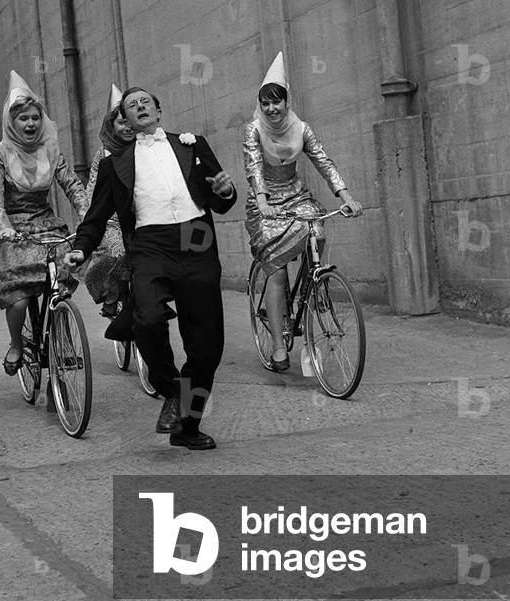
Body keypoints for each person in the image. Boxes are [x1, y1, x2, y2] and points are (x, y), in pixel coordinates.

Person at [65, 86, 237, 450]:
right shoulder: (116, 164)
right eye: (131, 105)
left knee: (207, 346)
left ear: (158, 111)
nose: (140, 106)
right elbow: (95, 218)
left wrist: (225, 190)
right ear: (125, 121)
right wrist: (81, 249)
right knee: (148, 319)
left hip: (196, 240)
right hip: (150, 244)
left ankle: (187, 428)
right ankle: (171, 388)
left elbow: (220, 201)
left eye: (146, 101)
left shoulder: (193, 145)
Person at [243, 53, 362, 371]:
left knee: (318, 230)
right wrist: (263, 199)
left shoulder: (301, 129)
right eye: (265, 103)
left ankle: (313, 287)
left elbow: (323, 160)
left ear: (286, 101)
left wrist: (345, 195)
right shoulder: (253, 131)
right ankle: (280, 347)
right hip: (264, 204)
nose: (271, 109)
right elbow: (253, 166)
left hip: (296, 197)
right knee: (277, 270)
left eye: (276, 102)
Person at [0, 71, 88, 375]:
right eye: (23, 119)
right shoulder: (0, 154)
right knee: (17, 297)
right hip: (14, 230)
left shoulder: (51, 149)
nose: (30, 124)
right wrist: (4, 226)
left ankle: (64, 341)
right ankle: (16, 344)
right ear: (11, 123)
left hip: (46, 224)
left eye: (35, 118)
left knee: (61, 286)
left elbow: (72, 185)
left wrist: (86, 215)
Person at [81, 85, 136, 337]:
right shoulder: (103, 156)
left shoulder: (144, 148)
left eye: (129, 122)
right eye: (120, 123)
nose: (126, 128)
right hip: (112, 222)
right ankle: (113, 293)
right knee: (121, 252)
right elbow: (94, 193)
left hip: (140, 218)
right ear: (111, 125)